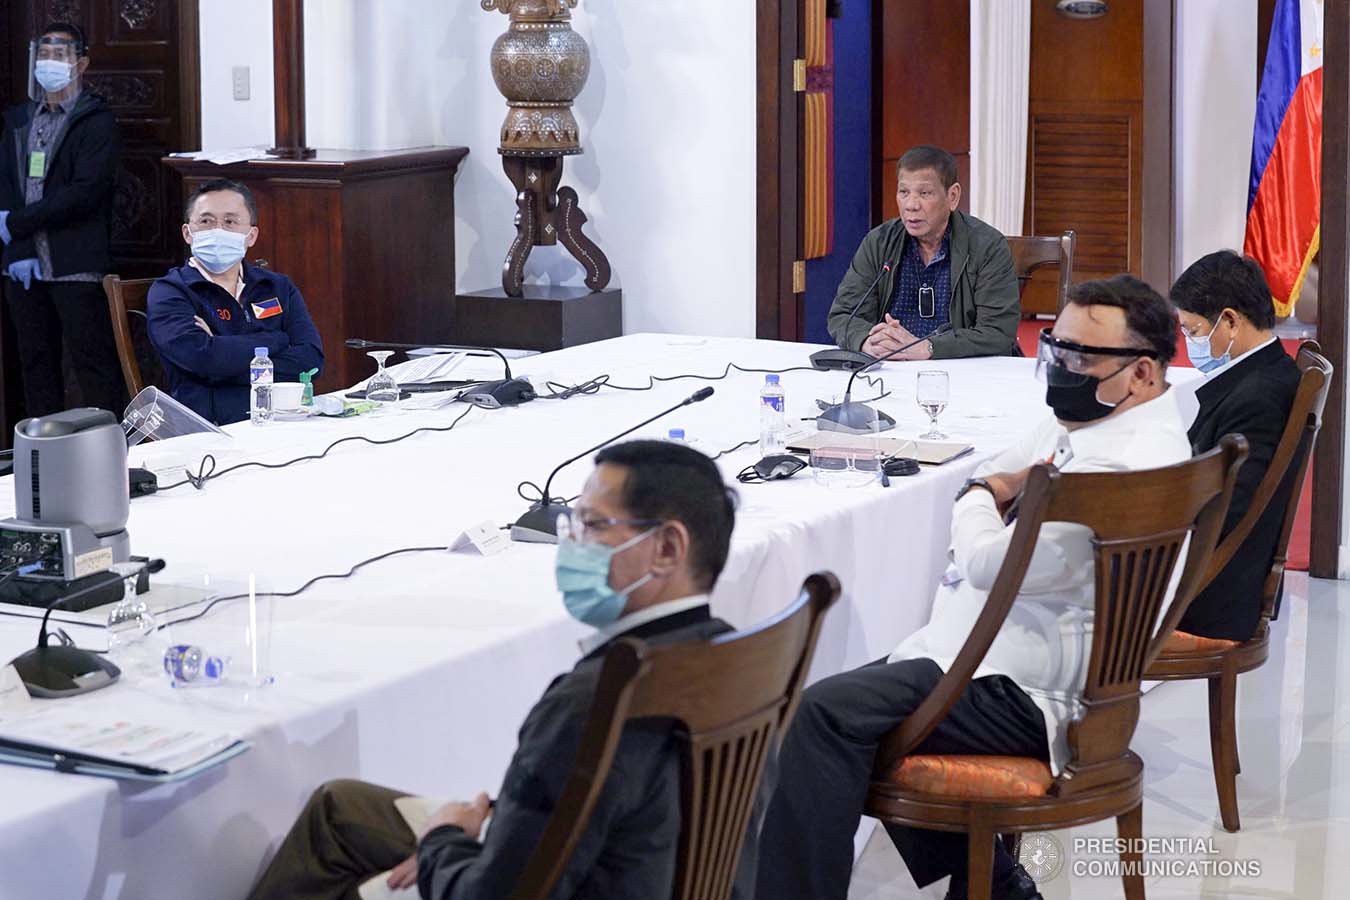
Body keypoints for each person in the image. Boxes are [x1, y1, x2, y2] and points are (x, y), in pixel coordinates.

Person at [758, 276, 1192, 900]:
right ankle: (994, 884)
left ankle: (992, 883)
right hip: (1005, 655)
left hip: (1030, 688)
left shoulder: (1116, 473)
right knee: (850, 700)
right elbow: (1002, 464)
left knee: (819, 719)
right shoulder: (1109, 422)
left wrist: (980, 496)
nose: (1060, 369)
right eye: (1054, 348)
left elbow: (988, 553)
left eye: (1080, 357)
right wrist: (996, 486)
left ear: (1144, 372)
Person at [247, 440, 739, 900]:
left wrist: (445, 840)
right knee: (340, 809)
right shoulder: (732, 652)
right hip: (639, 865)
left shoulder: (596, 698)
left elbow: (494, 894)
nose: (571, 543)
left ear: (668, 548)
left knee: (346, 843)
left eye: (592, 525)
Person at [1171, 250, 1301, 641]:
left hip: (1213, 593)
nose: (1189, 343)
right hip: (1215, 571)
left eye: (1193, 331)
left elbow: (1227, 513)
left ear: (1229, 320)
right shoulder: (1267, 373)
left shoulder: (1257, 398)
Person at [0, 22, 126, 417]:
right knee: (35, 364)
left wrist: (17, 225)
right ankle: (41, 452)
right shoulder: (18, 118)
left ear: (81, 63)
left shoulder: (96, 120)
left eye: (60, 55)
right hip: (23, 267)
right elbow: (6, 188)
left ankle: (109, 448)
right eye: (44, 54)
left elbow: (86, 192)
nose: (49, 63)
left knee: (94, 364)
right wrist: (18, 245)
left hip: (75, 265)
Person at [147, 179, 323, 425]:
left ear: (251, 236)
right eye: (206, 221)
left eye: (230, 222)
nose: (218, 230)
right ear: (188, 233)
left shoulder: (278, 286)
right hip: (210, 429)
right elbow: (204, 360)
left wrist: (221, 353)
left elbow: (310, 360)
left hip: (286, 419)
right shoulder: (170, 292)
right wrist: (278, 339)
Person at [826, 145, 1020, 361]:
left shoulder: (987, 246)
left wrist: (929, 348)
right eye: (904, 192)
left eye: (925, 193)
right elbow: (844, 315)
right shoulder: (879, 242)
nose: (911, 205)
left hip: (960, 371)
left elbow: (998, 332)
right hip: (891, 368)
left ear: (952, 196)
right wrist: (866, 341)